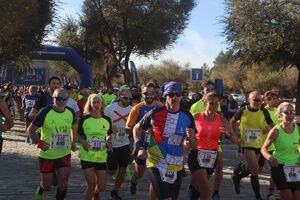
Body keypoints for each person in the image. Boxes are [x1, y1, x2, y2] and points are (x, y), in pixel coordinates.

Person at [133, 81, 197, 200]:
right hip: (156, 162)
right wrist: (139, 147)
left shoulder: (187, 116)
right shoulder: (155, 113)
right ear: (165, 96)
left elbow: (194, 145)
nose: (175, 97)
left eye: (177, 94)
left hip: (176, 165)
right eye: (171, 95)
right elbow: (137, 128)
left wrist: (191, 139)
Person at [27, 88, 77, 200]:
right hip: (47, 154)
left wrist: (73, 142)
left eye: (64, 98)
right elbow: (30, 130)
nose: (61, 101)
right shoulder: (45, 111)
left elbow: (74, 127)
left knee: (63, 183)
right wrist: (40, 144)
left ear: (68, 99)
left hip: (64, 153)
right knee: (47, 185)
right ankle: (40, 190)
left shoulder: (70, 112)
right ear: (53, 98)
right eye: (58, 98)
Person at [188, 92, 238, 200]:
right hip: (196, 154)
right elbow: (184, 133)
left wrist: (227, 134)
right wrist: (186, 140)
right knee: (206, 190)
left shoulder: (222, 120)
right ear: (205, 103)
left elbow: (235, 140)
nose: (214, 106)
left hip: (212, 156)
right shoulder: (195, 117)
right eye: (211, 103)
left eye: (217, 103)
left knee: (197, 187)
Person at [230, 91, 274, 200]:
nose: (258, 102)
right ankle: (258, 197)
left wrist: (268, 129)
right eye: (255, 100)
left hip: (259, 144)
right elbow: (232, 122)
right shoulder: (243, 111)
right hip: (247, 144)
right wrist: (234, 135)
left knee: (251, 168)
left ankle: (238, 175)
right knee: (255, 169)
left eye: (260, 100)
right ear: (249, 100)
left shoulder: (264, 111)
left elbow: (272, 126)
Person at [126, 82, 163, 196]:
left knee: (156, 176)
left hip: (157, 145)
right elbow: (128, 127)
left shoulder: (160, 107)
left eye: (152, 92)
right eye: (146, 93)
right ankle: (134, 181)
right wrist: (138, 132)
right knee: (139, 172)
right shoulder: (137, 108)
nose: (149, 95)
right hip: (141, 144)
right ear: (142, 94)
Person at [189, 80, 224, 200]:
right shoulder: (195, 107)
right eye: (207, 90)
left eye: (212, 90)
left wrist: (226, 132)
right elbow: (190, 125)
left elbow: (221, 123)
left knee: (219, 165)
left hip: (214, 143)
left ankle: (216, 192)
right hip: (199, 144)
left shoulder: (216, 104)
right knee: (198, 183)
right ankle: (195, 192)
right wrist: (188, 140)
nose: (210, 91)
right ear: (202, 92)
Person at [261, 102, 300, 200]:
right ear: (281, 115)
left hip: (295, 167)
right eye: (287, 112)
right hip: (279, 167)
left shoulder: (298, 129)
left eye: (292, 112)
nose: (291, 115)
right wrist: (270, 158)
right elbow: (263, 149)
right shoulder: (275, 131)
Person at [78, 94, 113, 200]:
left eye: (98, 102)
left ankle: (96, 193)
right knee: (91, 184)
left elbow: (109, 135)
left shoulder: (107, 119)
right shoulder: (84, 119)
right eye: (94, 102)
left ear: (102, 103)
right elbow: (78, 136)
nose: (96, 104)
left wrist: (109, 143)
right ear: (90, 103)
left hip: (101, 156)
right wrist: (83, 143)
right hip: (87, 155)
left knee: (102, 187)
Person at [104, 85, 133, 200]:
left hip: (125, 143)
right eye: (125, 98)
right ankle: (102, 171)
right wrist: (110, 131)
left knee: (123, 169)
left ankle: (115, 191)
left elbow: (134, 128)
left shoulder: (132, 110)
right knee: (111, 171)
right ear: (119, 96)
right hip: (112, 143)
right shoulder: (110, 108)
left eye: (130, 98)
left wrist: (132, 146)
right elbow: (103, 124)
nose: (128, 101)